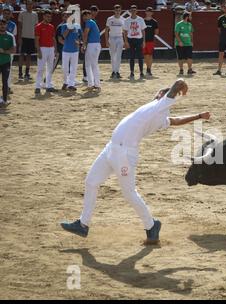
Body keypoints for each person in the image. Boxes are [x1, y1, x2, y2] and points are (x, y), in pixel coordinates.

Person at [60, 79, 211, 245]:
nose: (157, 93)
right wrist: (198, 116)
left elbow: (175, 86)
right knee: (91, 182)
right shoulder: (157, 112)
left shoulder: (158, 108)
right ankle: (83, 224)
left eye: (160, 93)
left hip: (124, 154)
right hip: (111, 148)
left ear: (163, 97)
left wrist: (180, 85)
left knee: (129, 192)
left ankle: (151, 225)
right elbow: (175, 120)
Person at [34, 9, 57, 94]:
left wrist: (55, 49)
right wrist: (38, 51)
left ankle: (48, 85)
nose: (49, 18)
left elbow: (53, 38)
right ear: (43, 16)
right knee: (40, 68)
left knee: (50, 68)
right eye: (47, 16)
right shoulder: (38, 26)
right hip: (42, 48)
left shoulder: (51, 26)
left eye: (50, 17)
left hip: (51, 49)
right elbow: (37, 39)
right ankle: (37, 86)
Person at [60, 10, 82, 91]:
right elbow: (64, 36)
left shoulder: (77, 26)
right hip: (66, 50)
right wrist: (69, 28)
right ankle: (66, 82)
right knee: (65, 68)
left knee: (74, 68)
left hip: (75, 50)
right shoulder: (64, 26)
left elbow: (80, 36)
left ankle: (71, 84)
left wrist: (79, 42)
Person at [124, 5, 147, 80]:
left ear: (137, 11)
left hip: (139, 39)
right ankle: (132, 72)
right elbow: (125, 32)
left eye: (135, 10)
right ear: (130, 11)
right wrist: (126, 41)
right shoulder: (127, 20)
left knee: (140, 57)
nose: (133, 11)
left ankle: (141, 72)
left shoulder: (140, 19)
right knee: (131, 57)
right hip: (130, 39)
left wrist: (143, 41)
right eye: (132, 10)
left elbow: (143, 31)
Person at [18, 0, 38, 81]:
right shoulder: (21, 13)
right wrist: (19, 38)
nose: (29, 5)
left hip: (32, 38)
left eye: (31, 4)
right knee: (21, 55)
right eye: (28, 4)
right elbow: (19, 27)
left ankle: (27, 73)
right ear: (25, 5)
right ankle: (20, 73)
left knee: (29, 56)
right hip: (23, 37)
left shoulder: (35, 14)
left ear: (32, 5)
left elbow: (36, 27)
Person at [81, 9, 101, 92]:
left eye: (86, 15)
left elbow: (85, 34)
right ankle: (96, 84)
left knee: (88, 65)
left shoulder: (88, 22)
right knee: (94, 65)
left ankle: (91, 84)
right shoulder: (92, 22)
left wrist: (83, 45)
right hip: (96, 45)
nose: (85, 17)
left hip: (92, 45)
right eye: (84, 16)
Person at [105, 4, 126, 79]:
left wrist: (125, 41)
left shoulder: (123, 19)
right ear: (114, 11)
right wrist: (107, 41)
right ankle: (114, 71)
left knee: (118, 55)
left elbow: (124, 31)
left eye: (119, 10)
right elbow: (106, 30)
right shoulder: (110, 19)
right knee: (112, 55)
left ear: (121, 11)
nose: (117, 12)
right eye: (116, 10)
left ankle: (117, 71)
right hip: (112, 38)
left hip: (120, 38)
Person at [174, 12, 195, 76]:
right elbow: (176, 34)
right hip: (180, 44)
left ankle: (189, 69)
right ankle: (181, 69)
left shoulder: (190, 24)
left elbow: (191, 33)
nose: (191, 18)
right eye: (190, 16)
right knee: (180, 57)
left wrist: (191, 41)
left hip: (188, 43)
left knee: (189, 57)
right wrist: (180, 41)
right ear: (187, 17)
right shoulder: (179, 24)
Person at [0, 19, 15, 107]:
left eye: (3, 24)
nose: (2, 26)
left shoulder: (10, 36)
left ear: (6, 25)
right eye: (0, 24)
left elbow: (13, 50)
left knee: (5, 81)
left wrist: (4, 51)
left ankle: (5, 100)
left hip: (6, 62)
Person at [2, 7, 16, 94]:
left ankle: (8, 87)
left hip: (9, 51)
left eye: (8, 13)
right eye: (5, 13)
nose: (6, 15)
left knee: (8, 69)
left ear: (10, 14)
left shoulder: (13, 25)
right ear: (2, 13)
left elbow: (13, 38)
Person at [143, 7, 159, 77]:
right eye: (148, 11)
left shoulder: (154, 22)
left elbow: (156, 32)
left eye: (150, 11)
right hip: (143, 41)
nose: (149, 13)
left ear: (152, 13)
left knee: (150, 55)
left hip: (150, 40)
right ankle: (148, 68)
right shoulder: (142, 21)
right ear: (145, 12)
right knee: (145, 55)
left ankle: (149, 69)